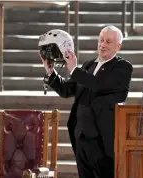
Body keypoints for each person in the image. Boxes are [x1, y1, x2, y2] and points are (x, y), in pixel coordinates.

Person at [39, 26, 133, 178]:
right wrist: (50, 71)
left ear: (118, 46)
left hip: (103, 140)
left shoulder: (123, 67)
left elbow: (99, 84)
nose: (103, 45)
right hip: (81, 136)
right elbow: (66, 90)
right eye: (101, 40)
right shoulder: (88, 66)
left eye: (108, 42)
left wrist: (74, 69)